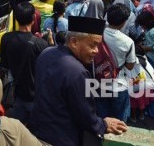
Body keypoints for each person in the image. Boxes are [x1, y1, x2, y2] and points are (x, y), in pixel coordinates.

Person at [29, 16, 128, 146]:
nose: (96, 51)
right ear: (74, 42)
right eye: (93, 45)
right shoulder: (76, 71)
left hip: (37, 132)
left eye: (98, 45)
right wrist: (103, 124)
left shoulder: (46, 53)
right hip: (61, 139)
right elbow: (85, 115)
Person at [0, 2, 49, 124]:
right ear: (33, 19)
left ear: (15, 19)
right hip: (35, 98)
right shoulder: (41, 44)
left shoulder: (6, 38)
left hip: (13, 97)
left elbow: (4, 65)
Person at [96, 4, 136, 122]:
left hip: (97, 82)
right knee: (119, 119)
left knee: (102, 117)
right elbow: (130, 66)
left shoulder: (97, 34)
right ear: (123, 22)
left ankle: (102, 136)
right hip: (118, 84)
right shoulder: (128, 41)